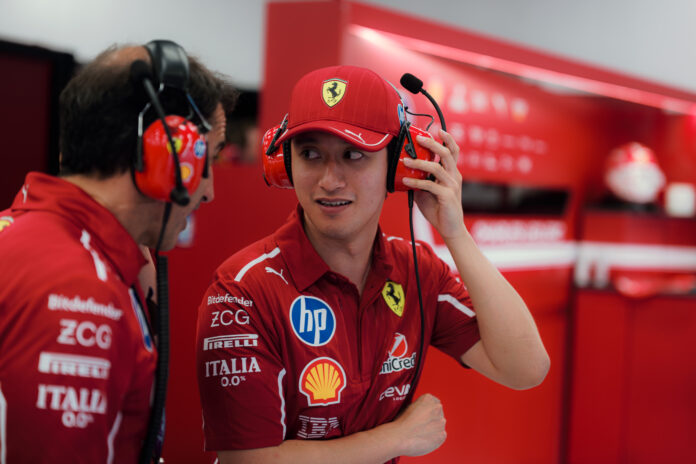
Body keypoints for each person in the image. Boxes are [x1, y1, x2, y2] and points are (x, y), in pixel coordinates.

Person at [195, 65, 549, 463]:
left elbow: (525, 367)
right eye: (310, 154)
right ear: (285, 164)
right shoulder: (242, 291)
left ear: (401, 165)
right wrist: (397, 439)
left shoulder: (417, 270)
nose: (330, 180)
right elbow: (248, 461)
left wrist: (456, 233)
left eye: (354, 155)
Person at [0, 41, 236, 463]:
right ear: (166, 153)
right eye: (207, 159)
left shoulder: (31, 234)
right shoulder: (79, 290)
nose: (210, 192)